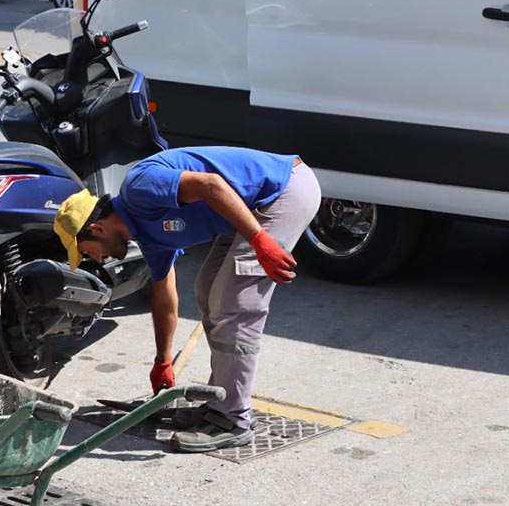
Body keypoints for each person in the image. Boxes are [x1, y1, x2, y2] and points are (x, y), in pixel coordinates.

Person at [53, 147, 321, 452]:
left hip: (281, 191)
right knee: (207, 290)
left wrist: (260, 241)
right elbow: (164, 298)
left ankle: (233, 417)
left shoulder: (138, 187)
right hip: (246, 209)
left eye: (87, 251)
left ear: (97, 228)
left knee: (234, 303)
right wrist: (162, 361)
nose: (95, 260)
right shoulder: (147, 236)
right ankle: (221, 399)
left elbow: (211, 186)